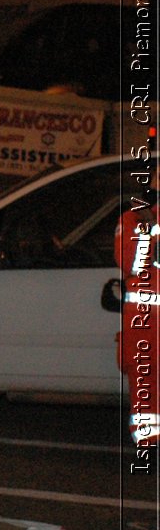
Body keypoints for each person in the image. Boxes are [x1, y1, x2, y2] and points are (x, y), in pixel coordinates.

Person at [118, 160, 159, 449]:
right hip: (144, 321)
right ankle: (150, 446)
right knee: (145, 391)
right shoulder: (135, 218)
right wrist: (148, 232)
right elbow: (131, 264)